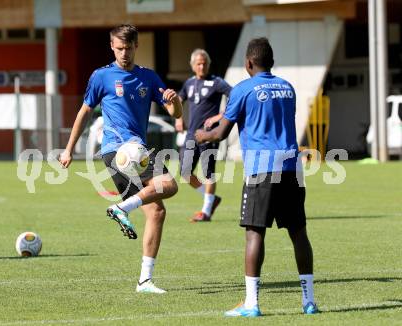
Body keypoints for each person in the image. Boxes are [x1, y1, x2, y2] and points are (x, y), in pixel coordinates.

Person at [195, 37, 318, 316]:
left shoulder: (243, 89)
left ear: (248, 63)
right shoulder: (287, 88)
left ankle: (252, 304)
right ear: (271, 62)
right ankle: (309, 301)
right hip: (292, 168)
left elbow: (220, 134)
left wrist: (202, 135)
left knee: (254, 234)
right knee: (299, 233)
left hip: (261, 168)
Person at [59, 24, 183, 294]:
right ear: (112, 47)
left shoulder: (149, 78)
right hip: (118, 152)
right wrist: (69, 148)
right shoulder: (101, 77)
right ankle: (121, 209)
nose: (124, 53)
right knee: (170, 185)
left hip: (136, 151)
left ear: (136, 46)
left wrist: (176, 100)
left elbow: (174, 113)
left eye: (128, 48)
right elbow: (84, 112)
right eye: (119, 48)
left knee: (157, 211)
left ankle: (144, 280)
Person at [176, 48, 232, 222]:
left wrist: (219, 116)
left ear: (208, 64)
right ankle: (211, 199)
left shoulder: (217, 82)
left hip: (209, 135)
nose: (202, 66)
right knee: (185, 172)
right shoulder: (189, 83)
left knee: (208, 173)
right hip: (191, 134)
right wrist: (178, 118)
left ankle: (206, 211)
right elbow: (179, 100)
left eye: (204, 63)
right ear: (193, 66)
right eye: (198, 64)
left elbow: (235, 97)